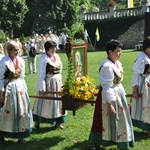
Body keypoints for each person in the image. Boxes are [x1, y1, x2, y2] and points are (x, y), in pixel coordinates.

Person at [88, 39, 135, 150]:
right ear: (110, 52)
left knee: (121, 119)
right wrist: (110, 105)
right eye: (118, 51)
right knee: (105, 120)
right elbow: (107, 86)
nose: (120, 53)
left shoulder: (117, 63)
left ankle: (122, 142)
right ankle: (99, 141)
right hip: (108, 96)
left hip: (118, 93)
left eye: (120, 51)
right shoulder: (107, 66)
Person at [0, 40, 33, 143]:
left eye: (18, 50)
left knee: (21, 111)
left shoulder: (20, 61)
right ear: (9, 51)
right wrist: (1, 93)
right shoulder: (4, 61)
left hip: (20, 88)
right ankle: (2, 134)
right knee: (7, 112)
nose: (17, 52)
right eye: (15, 50)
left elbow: (22, 77)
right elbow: (0, 78)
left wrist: (25, 89)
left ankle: (21, 136)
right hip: (8, 90)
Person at [32, 41, 67, 130]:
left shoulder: (57, 56)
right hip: (49, 83)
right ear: (47, 49)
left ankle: (58, 122)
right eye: (52, 48)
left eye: (54, 48)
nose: (54, 50)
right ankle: (37, 121)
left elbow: (60, 69)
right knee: (45, 103)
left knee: (58, 102)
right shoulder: (44, 59)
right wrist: (42, 86)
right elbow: (41, 74)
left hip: (58, 82)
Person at [131, 36, 150, 136]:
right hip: (144, 85)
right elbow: (136, 74)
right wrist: (135, 90)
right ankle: (147, 128)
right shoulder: (141, 58)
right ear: (147, 47)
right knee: (145, 106)